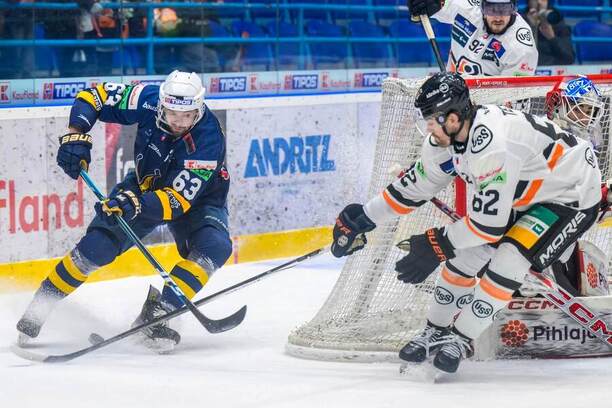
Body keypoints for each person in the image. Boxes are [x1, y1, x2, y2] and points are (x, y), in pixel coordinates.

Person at [330, 72, 603, 373]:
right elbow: (415, 187)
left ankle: (460, 338)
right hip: (527, 192)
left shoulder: (493, 144)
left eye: (433, 117)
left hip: (570, 197)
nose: (429, 126)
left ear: (455, 116)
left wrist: (438, 242)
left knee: (509, 258)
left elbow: (488, 225)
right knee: (463, 255)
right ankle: (435, 330)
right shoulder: (444, 140)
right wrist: (365, 217)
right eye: (426, 118)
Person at [16, 70, 232, 353]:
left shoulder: (208, 140)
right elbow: (93, 96)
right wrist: (76, 133)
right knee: (96, 249)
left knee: (215, 246)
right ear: (162, 105)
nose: (179, 122)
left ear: (198, 109)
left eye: (187, 115)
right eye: (171, 114)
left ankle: (160, 312)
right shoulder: (147, 99)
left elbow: (177, 201)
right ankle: (41, 304)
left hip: (200, 201)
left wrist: (136, 203)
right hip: (144, 186)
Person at [407, 0, 539, 76]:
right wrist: (423, 4)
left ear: (513, 9)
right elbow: (435, 5)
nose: (498, 18)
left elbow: (511, 99)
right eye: (492, 9)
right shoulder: (467, 9)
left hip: (493, 113)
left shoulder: (521, 49)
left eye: (504, 10)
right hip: (454, 99)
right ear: (482, 7)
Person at [521, 0, 574, 66]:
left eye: (543, 0)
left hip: (552, 70)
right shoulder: (519, 20)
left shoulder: (556, 19)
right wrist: (531, 28)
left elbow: (569, 58)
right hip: (526, 69)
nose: (539, 2)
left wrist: (552, 38)